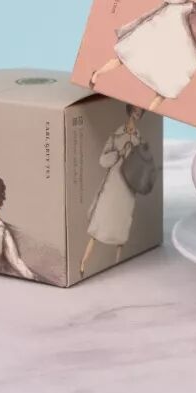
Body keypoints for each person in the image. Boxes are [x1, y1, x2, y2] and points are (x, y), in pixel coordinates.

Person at [79, 105, 146, 276]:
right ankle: (83, 264)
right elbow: (103, 160)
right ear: (130, 110)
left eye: (140, 111)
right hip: (113, 184)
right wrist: (118, 153)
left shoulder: (139, 139)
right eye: (136, 110)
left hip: (128, 188)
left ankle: (117, 264)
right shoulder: (116, 136)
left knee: (121, 228)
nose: (138, 113)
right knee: (99, 225)